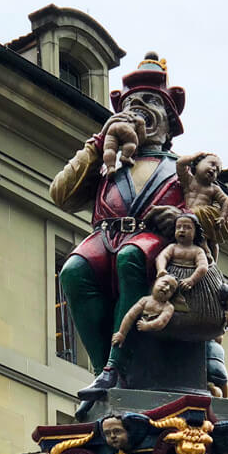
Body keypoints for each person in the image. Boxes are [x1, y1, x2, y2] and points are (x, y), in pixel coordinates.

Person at [51, 53, 187, 398]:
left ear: (169, 122)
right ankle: (103, 369)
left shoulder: (183, 168)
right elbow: (60, 194)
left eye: (152, 102)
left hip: (152, 241)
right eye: (132, 103)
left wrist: (185, 219)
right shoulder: (110, 161)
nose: (140, 109)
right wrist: (99, 143)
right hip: (107, 233)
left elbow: (212, 214)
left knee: (130, 257)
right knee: (73, 270)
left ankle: (117, 364)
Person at [176, 152, 228, 260]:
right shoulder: (189, 180)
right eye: (211, 164)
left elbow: (227, 202)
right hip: (190, 216)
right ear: (197, 164)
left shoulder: (213, 188)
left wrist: (222, 217)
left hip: (205, 217)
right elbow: (180, 163)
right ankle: (206, 252)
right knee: (199, 236)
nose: (213, 170)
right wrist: (194, 157)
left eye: (217, 170)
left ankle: (213, 262)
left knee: (213, 240)